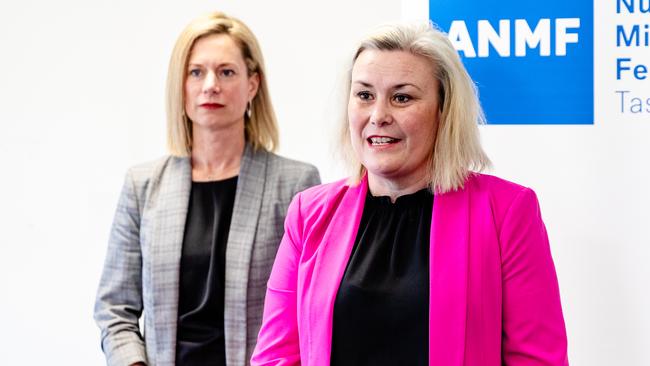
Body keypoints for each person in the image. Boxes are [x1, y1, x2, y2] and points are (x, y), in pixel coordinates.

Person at [251, 21, 568, 366]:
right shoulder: (309, 213)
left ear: (443, 111)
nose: (378, 115)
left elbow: (537, 359)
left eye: (402, 97)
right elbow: (276, 357)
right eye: (364, 95)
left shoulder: (505, 212)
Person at [94, 11, 320, 366]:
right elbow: (114, 309)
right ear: (180, 85)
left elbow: (309, 311)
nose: (210, 85)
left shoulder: (296, 186)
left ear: (252, 85)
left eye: (226, 72)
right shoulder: (143, 186)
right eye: (196, 72)